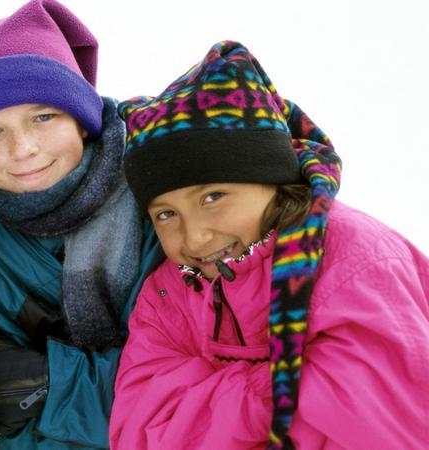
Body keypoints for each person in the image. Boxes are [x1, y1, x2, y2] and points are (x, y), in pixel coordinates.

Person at [109, 40, 429, 449]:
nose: (195, 237)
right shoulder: (167, 294)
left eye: (213, 197)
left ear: (273, 181)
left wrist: (206, 393)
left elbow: (381, 433)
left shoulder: (354, 262)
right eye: (166, 214)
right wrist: (288, 385)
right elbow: (138, 431)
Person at [0, 1, 163, 448]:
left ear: (81, 119)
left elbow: (179, 382)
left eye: (43, 116)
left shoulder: (158, 195)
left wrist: (50, 379)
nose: (23, 148)